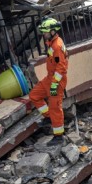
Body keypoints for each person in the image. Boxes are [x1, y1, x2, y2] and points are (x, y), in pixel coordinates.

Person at [29, 17, 68, 146]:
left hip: (56, 81)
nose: (43, 35)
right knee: (34, 96)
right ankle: (48, 117)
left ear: (52, 31)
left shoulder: (56, 46)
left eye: (45, 32)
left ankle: (59, 136)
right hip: (49, 78)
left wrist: (54, 85)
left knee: (55, 107)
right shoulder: (52, 43)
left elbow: (61, 68)